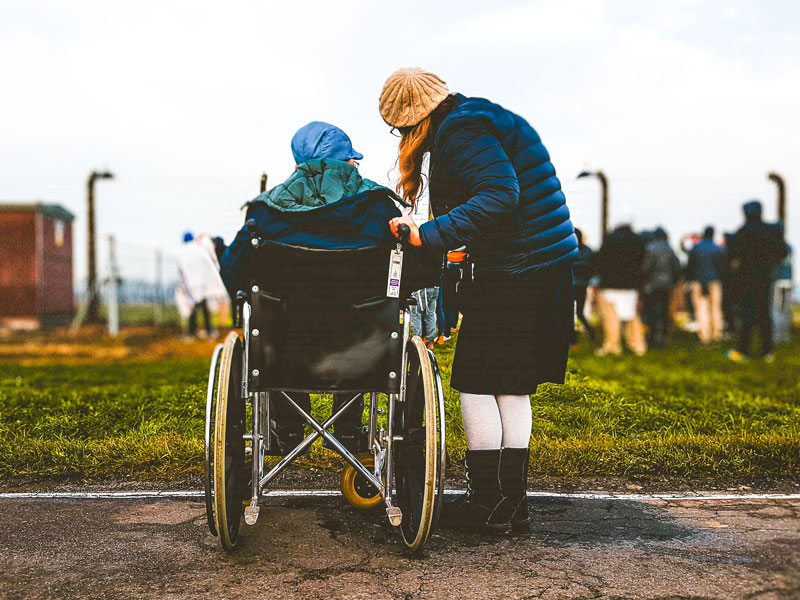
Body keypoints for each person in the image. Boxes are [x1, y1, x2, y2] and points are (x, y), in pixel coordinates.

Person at [380, 68, 578, 532]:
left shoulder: (462, 131)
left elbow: (499, 195)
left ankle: (487, 502)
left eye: (402, 129)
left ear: (416, 120)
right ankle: (511, 505)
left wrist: (427, 234)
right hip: (540, 266)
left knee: (474, 380)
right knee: (509, 384)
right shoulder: (480, 116)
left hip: (517, 269)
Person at [220, 121, 400, 452]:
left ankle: (287, 428)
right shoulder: (380, 208)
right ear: (348, 163)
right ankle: (347, 429)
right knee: (362, 321)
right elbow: (408, 274)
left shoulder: (265, 211)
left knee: (280, 325)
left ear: (297, 165)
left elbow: (233, 272)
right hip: (362, 351)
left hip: (281, 352)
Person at [726, 201, 789, 361]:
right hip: (766, 277)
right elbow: (783, 251)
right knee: (764, 313)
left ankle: (743, 350)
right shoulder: (771, 231)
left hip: (746, 277)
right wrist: (770, 263)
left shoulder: (742, 231)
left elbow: (731, 254)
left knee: (747, 313)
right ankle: (767, 351)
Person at [592, 219, 647, 356]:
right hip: (631, 285)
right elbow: (643, 263)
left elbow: (600, 261)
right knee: (632, 317)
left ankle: (612, 346)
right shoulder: (638, 240)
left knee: (611, 318)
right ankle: (637, 345)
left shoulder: (609, 239)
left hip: (610, 285)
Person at [175, 232, 228, 338]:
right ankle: (209, 331)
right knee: (205, 308)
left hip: (192, 285)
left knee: (192, 308)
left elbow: (182, 270)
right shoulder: (200, 249)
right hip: (204, 284)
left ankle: (191, 332)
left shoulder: (183, 252)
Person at [641, 227, 680, 347]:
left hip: (652, 285)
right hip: (667, 284)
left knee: (651, 311)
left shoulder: (650, 248)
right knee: (664, 310)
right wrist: (673, 281)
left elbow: (646, 267)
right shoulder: (670, 249)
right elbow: (676, 267)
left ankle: (652, 336)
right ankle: (663, 335)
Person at [686, 226, 726, 344]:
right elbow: (722, 267)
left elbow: (690, 265)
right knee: (716, 308)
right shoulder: (718, 249)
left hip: (698, 281)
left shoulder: (696, 247)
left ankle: (705, 337)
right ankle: (716, 335)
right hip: (715, 281)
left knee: (701, 309)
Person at [571, 228, 595, 346]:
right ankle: (592, 335)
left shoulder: (568, 250)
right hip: (582, 285)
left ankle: (573, 340)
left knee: (569, 313)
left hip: (570, 285)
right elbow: (593, 267)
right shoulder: (588, 251)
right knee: (580, 313)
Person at [410, 286, 438, 350]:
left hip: (422, 287)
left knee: (416, 315)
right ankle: (430, 342)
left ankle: (417, 342)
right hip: (435, 287)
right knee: (430, 315)